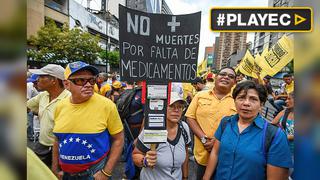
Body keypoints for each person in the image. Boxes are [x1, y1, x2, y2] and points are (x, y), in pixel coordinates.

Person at [203, 81, 292, 180]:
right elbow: (215, 152)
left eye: (253, 99)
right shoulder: (225, 123)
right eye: (241, 98)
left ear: (261, 104)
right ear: (235, 101)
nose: (246, 103)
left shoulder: (275, 136)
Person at [52, 61, 124, 179]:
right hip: (66, 174)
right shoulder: (60, 106)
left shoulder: (107, 105)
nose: (88, 85)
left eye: (91, 80)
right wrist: (55, 168)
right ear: (66, 84)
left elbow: (119, 139)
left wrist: (106, 172)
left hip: (94, 173)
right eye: (80, 80)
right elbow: (57, 139)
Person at [185, 67, 237, 179]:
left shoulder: (237, 101)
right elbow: (190, 117)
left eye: (231, 76)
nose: (226, 77)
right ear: (216, 77)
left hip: (226, 159)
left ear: (234, 82)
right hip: (202, 156)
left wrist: (218, 142)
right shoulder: (200, 96)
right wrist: (204, 139)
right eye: (223, 74)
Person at [132, 92, 191, 180]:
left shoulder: (184, 127)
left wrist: (185, 177)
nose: (176, 110)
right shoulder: (153, 127)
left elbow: (185, 154)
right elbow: (136, 155)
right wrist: (145, 161)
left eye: (180, 107)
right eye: (171, 106)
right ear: (162, 108)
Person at [27, 64, 70, 166]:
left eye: (41, 77)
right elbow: (26, 106)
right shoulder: (43, 95)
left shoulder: (69, 99)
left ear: (54, 80)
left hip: (61, 149)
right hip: (42, 144)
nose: (37, 80)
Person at [272, 92, 294, 156]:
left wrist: (283, 137)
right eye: (286, 99)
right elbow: (272, 124)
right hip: (281, 148)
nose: (286, 101)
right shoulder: (285, 111)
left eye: (289, 99)